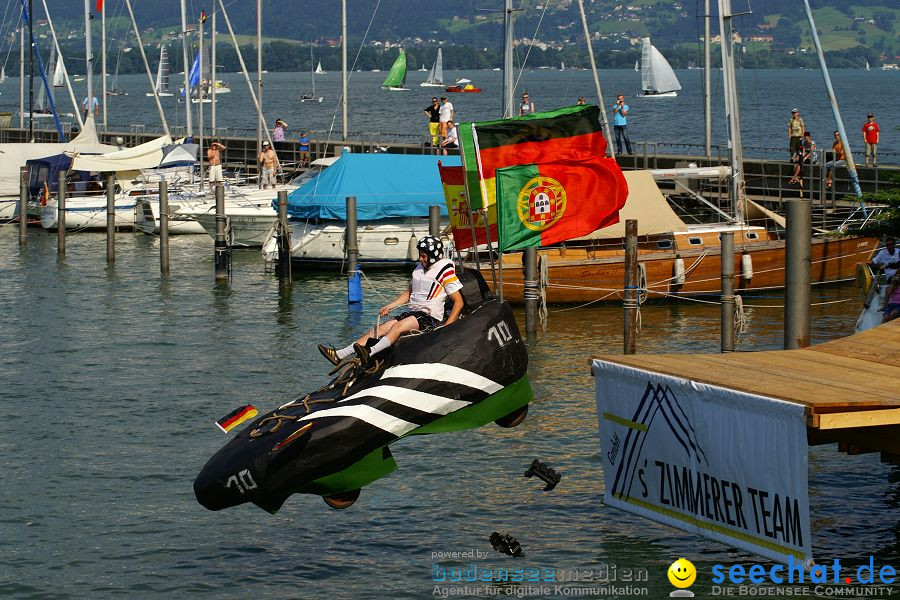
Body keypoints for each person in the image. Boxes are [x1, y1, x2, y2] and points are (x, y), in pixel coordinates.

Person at [318, 236, 464, 367]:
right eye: (420, 255)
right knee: (379, 329)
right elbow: (408, 293)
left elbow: (459, 302)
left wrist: (447, 327)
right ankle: (340, 354)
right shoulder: (419, 269)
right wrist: (391, 306)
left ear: (433, 256)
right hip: (413, 313)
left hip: (429, 317)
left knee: (397, 327)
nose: (420, 259)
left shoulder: (445, 271)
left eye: (424, 256)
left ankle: (369, 353)